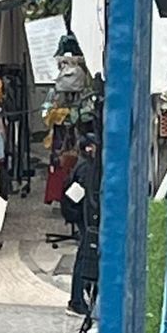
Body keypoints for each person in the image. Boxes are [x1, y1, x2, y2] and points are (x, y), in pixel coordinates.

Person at [66, 133, 101, 317]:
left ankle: (81, 295)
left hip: (83, 217)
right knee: (84, 258)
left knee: (83, 257)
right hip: (86, 219)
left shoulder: (84, 165)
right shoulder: (87, 168)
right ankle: (77, 300)